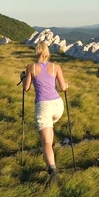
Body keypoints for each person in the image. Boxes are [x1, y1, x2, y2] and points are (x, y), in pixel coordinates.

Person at [22, 41, 68, 184]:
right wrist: (67, 85)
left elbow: (26, 88)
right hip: (58, 105)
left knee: (46, 142)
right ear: (47, 52)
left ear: (37, 52)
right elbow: (63, 87)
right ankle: (50, 155)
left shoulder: (31, 67)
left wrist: (22, 78)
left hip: (43, 106)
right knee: (49, 133)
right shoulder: (56, 67)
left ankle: (53, 171)